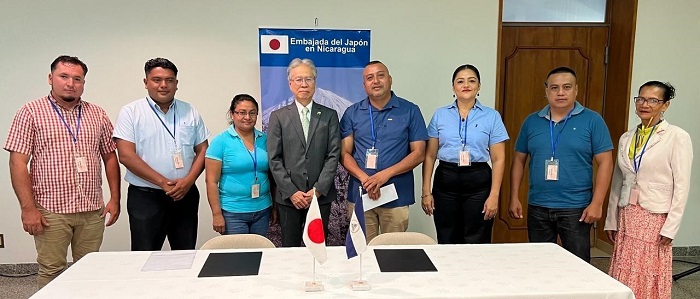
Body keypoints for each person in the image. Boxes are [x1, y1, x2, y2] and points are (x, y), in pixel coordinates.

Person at [5, 55, 121, 286]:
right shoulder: (30, 112)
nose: (70, 83)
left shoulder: (97, 114)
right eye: (64, 77)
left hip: (91, 209)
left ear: (83, 82)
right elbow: (17, 163)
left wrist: (115, 198)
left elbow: (110, 156)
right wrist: (28, 209)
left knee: (89, 270)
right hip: (50, 210)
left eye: (77, 79)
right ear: (51, 78)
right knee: (52, 271)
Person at [509, 66, 614, 262]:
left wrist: (597, 203)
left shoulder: (593, 121)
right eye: (554, 87)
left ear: (576, 90)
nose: (560, 93)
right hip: (538, 205)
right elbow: (518, 160)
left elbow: (606, 163)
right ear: (546, 90)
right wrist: (514, 197)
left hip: (576, 208)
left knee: (578, 265)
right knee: (539, 263)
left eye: (566, 87)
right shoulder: (532, 121)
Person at [605, 81, 692, 299]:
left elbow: (681, 186)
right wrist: (611, 220)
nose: (645, 104)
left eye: (653, 100)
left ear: (665, 105)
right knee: (625, 267)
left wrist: (671, 228)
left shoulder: (676, 137)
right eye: (641, 99)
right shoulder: (627, 137)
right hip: (627, 214)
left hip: (655, 217)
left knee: (646, 270)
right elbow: (618, 181)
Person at [113, 58, 210, 251]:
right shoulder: (131, 112)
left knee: (185, 254)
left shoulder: (189, 111)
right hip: (146, 198)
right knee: (144, 254)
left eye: (169, 80)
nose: (163, 85)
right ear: (146, 82)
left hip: (185, 195)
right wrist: (162, 183)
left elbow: (203, 150)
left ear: (176, 83)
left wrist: (189, 181)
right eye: (157, 79)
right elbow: (126, 156)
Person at [340, 60, 428, 242]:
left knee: (393, 252)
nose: (376, 81)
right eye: (369, 78)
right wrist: (366, 180)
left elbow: (419, 153)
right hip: (360, 193)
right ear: (364, 85)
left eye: (381, 75)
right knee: (361, 252)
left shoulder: (410, 110)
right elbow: (344, 154)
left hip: (396, 195)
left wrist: (384, 176)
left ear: (390, 79)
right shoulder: (352, 113)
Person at [421, 64, 509, 244]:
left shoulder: (491, 116)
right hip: (446, 180)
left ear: (479, 86)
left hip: (478, 181)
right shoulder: (440, 115)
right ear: (453, 87)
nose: (466, 85)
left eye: (471, 80)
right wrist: (426, 191)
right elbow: (429, 156)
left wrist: (494, 195)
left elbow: (499, 159)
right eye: (460, 81)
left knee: (477, 238)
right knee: (447, 237)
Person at [267, 58, 340, 247]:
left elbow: (333, 155)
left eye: (308, 79)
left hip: (319, 197)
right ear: (290, 83)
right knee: (290, 249)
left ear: (315, 82)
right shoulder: (278, 116)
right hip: (289, 198)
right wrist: (292, 192)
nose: (304, 84)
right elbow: (274, 158)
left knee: (317, 250)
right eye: (298, 79)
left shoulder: (329, 115)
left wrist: (317, 190)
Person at [205, 94, 272, 236]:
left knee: (260, 253)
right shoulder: (220, 142)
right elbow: (211, 181)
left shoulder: (265, 140)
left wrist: (275, 207)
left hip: (263, 209)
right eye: (242, 113)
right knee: (238, 256)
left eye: (252, 113)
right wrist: (216, 214)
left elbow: (273, 175)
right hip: (233, 213)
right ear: (232, 114)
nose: (247, 117)